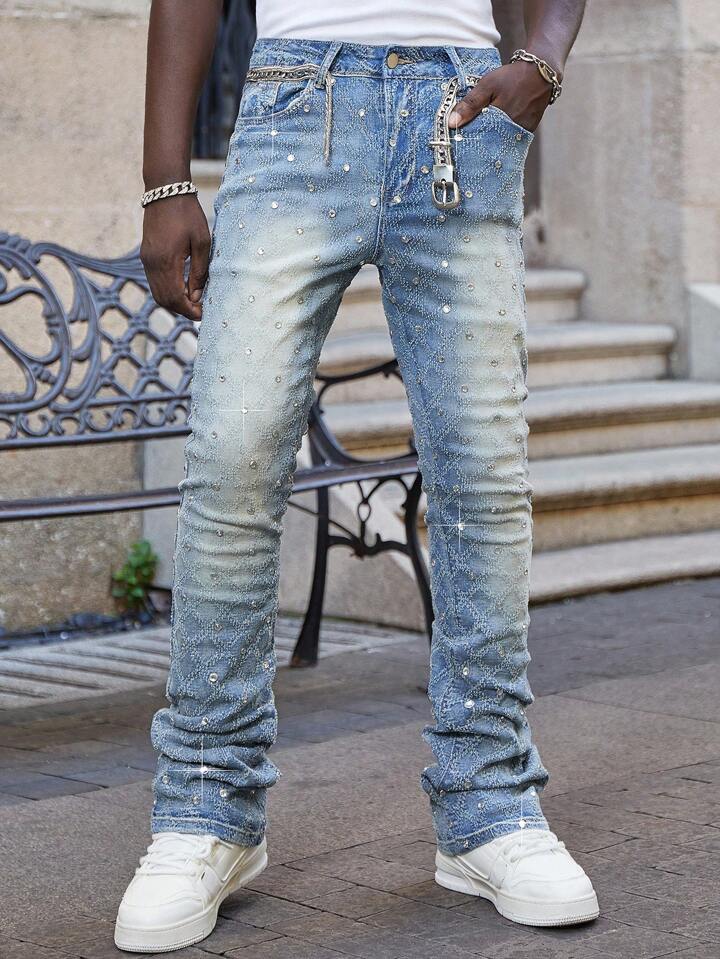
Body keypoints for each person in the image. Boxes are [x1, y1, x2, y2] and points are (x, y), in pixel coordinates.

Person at [115, 0, 599, 951]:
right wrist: (165, 181)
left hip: (464, 110)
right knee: (233, 460)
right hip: (295, 105)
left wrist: (543, 60)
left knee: (484, 476)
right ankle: (207, 806)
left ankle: (490, 805)